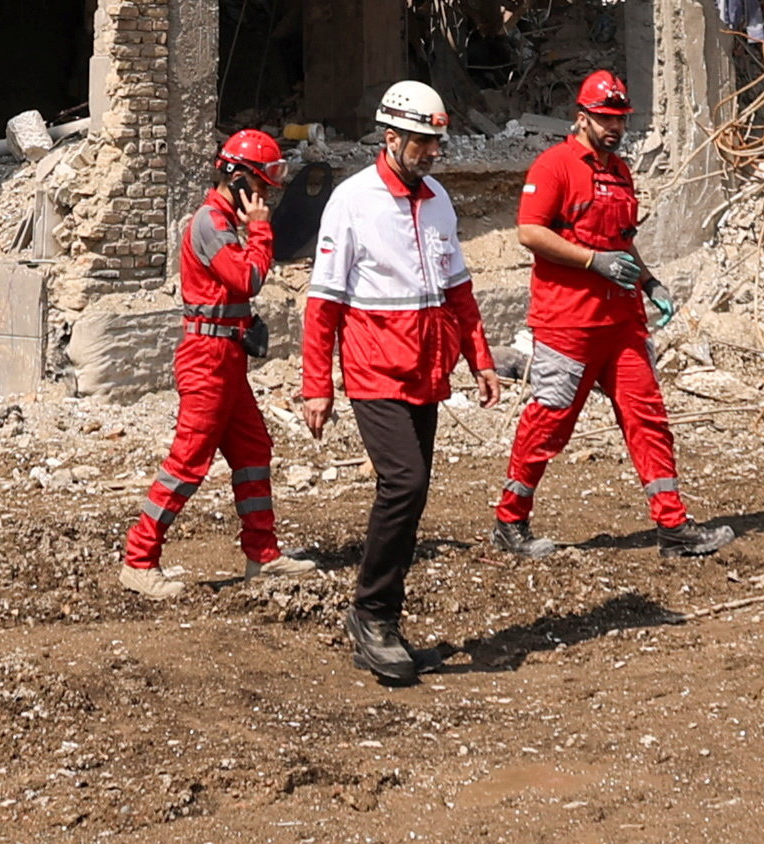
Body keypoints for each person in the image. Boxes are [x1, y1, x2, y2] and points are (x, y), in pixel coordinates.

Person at [294, 79, 497, 685]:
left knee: (413, 493)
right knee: (403, 484)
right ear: (392, 138)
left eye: (437, 142)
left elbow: (457, 289)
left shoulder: (437, 200)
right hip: (374, 369)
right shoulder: (352, 202)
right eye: (423, 143)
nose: (434, 153)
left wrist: (480, 359)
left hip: (427, 370)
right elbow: (324, 302)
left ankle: (384, 615)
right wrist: (317, 386)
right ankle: (371, 614)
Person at [491, 71, 717, 559]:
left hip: (621, 324)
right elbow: (530, 232)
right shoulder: (554, 167)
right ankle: (510, 520)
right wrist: (593, 261)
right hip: (567, 324)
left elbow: (622, 242)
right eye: (606, 118)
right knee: (549, 422)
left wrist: (648, 281)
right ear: (583, 117)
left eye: (620, 119)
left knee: (648, 418)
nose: (614, 127)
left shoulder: (619, 171)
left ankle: (673, 527)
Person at [121, 128, 290, 589]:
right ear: (235, 178)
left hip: (226, 356)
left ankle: (263, 553)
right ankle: (139, 560)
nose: (261, 200)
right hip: (208, 358)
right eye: (257, 189)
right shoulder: (210, 223)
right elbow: (248, 277)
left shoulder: (222, 222)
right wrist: (260, 229)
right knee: (188, 460)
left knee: (253, 449)